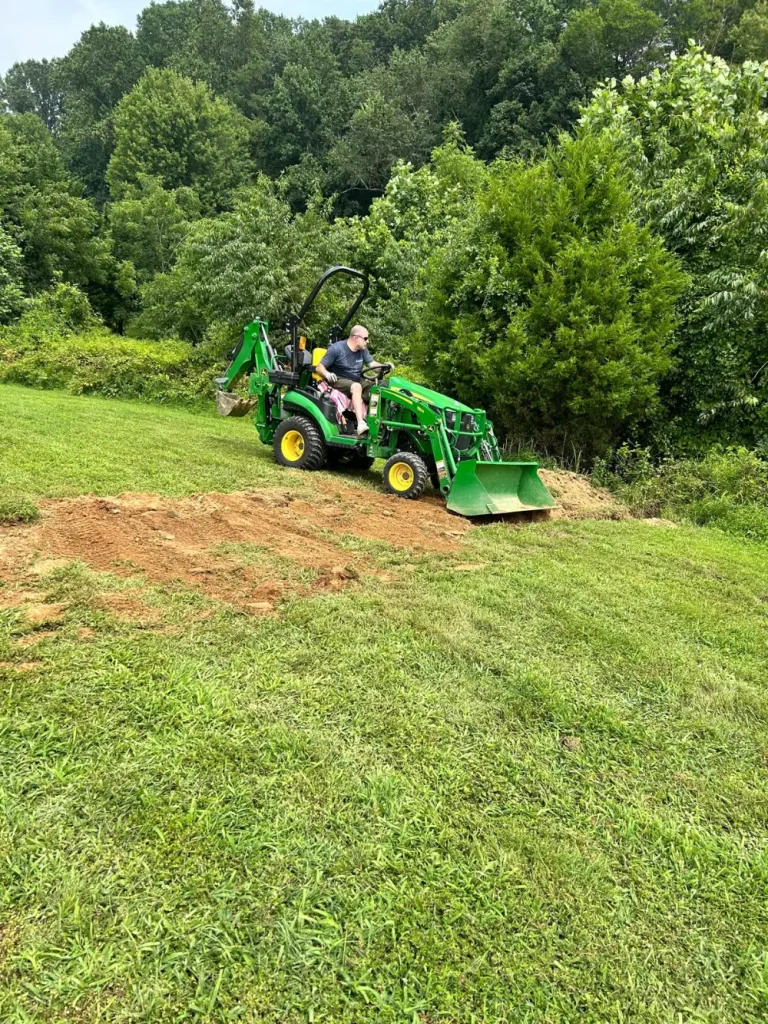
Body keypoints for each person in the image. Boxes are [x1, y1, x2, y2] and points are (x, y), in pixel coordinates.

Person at [316, 325, 391, 435]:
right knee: (356, 387)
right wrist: (327, 374)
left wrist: (385, 366)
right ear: (356, 338)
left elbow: (373, 365)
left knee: (378, 389)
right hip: (338, 379)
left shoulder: (362, 351)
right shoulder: (336, 349)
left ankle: (382, 423)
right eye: (365, 338)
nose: (368, 341)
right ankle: (361, 424)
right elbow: (319, 367)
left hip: (356, 379)